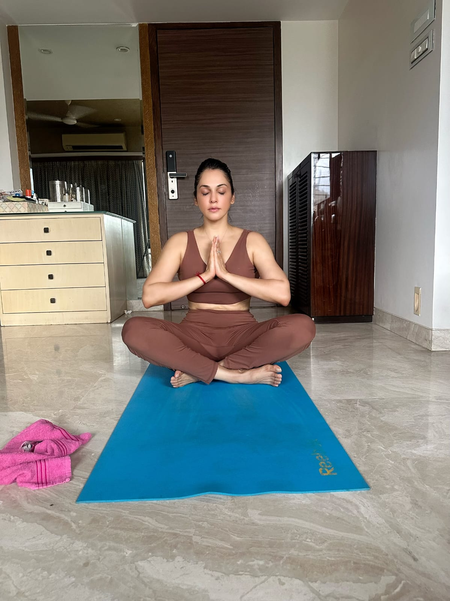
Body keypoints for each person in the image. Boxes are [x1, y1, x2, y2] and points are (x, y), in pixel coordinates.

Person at [122, 158, 316, 388]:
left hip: (243, 336)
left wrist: (226, 275)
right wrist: (203, 277)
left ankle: (201, 371)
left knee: (303, 326)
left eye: (221, 191)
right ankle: (235, 374)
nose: (213, 199)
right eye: (205, 192)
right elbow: (150, 297)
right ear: (196, 199)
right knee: (133, 329)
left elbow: (282, 294)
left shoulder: (252, 240)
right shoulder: (180, 242)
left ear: (232, 197)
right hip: (193, 336)